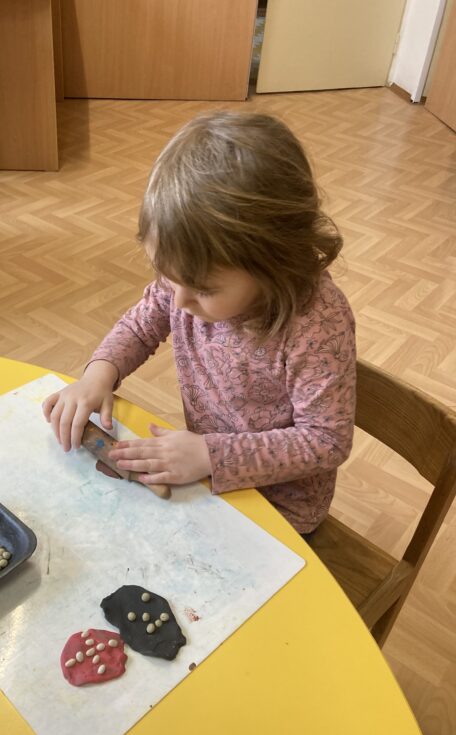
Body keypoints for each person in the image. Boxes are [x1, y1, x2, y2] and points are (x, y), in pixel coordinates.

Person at [42, 112, 357, 535]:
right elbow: (143, 322)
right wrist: (99, 374)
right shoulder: (188, 279)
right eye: (166, 277)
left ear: (273, 264)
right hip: (205, 474)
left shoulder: (316, 324)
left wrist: (210, 455)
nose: (178, 300)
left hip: (280, 511)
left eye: (203, 290)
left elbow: (327, 441)